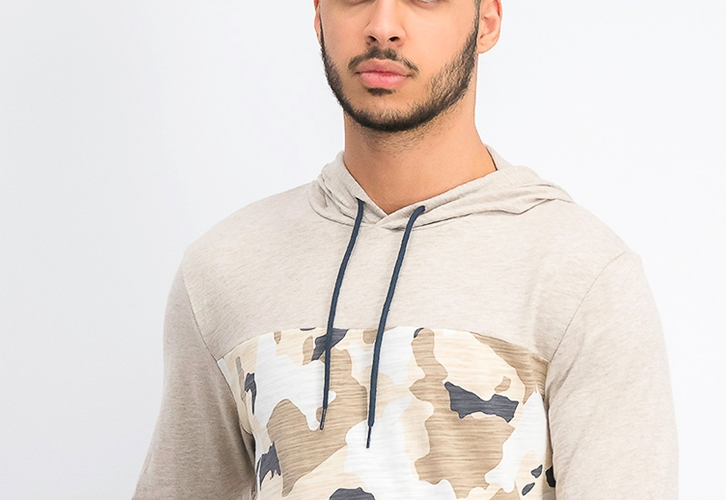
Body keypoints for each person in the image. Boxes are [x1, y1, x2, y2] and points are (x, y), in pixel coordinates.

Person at [134, 1, 678, 499]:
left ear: (486, 22)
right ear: (319, 16)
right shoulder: (224, 268)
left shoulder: (582, 274)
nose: (382, 26)